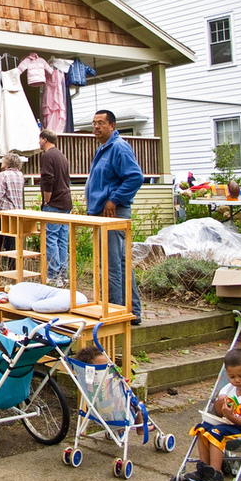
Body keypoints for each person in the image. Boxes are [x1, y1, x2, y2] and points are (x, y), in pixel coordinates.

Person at [85, 110, 143, 325]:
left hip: (113, 213)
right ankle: (132, 312)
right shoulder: (103, 148)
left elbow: (135, 177)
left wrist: (114, 199)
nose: (96, 127)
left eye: (101, 123)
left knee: (112, 265)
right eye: (94, 123)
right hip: (101, 213)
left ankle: (115, 314)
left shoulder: (118, 147)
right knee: (120, 263)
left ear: (112, 125)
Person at [185, 348, 241, 481]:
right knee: (201, 429)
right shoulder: (228, 388)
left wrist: (230, 416)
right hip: (227, 423)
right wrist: (219, 402)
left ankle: (216, 474)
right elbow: (218, 412)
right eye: (232, 377)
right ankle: (204, 469)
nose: (237, 380)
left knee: (216, 432)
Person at [38, 129, 72, 287]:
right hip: (66, 202)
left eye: (40, 140)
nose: (39, 143)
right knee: (62, 239)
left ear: (44, 140)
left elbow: (48, 179)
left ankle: (53, 275)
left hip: (54, 203)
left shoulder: (48, 156)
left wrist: (47, 200)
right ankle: (64, 275)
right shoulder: (61, 155)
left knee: (50, 238)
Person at [0, 152, 24, 271]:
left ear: (8, 162)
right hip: (17, 212)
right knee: (13, 242)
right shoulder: (20, 175)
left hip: (4, 212)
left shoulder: (2, 176)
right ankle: (14, 268)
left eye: (3, 159)